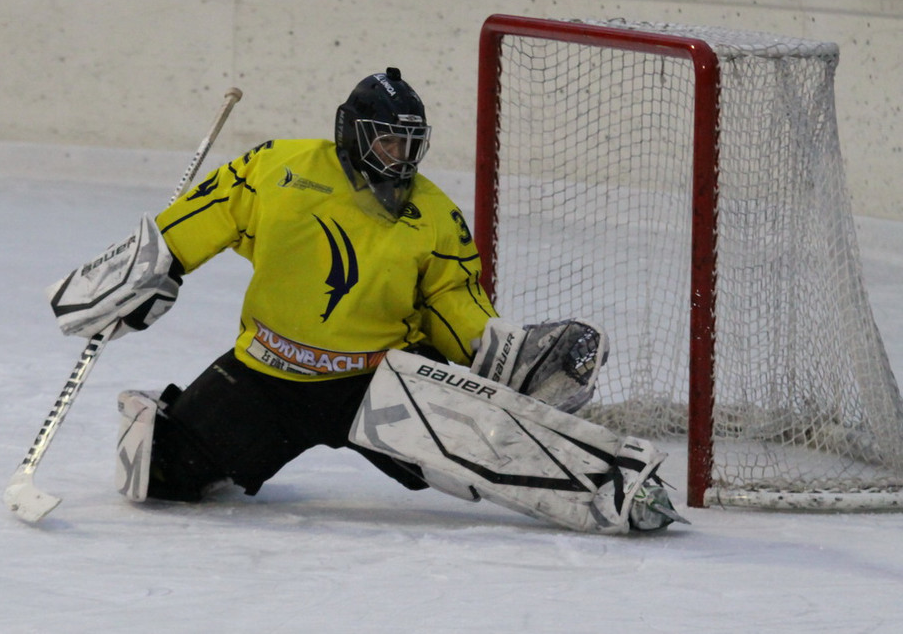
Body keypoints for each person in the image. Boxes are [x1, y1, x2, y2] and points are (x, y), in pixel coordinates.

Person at [47, 68, 686, 533]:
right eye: (389, 143)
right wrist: (145, 274)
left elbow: (453, 299)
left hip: (379, 383)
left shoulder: (434, 214)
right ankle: (180, 423)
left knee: (496, 453)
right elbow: (194, 220)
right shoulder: (279, 169)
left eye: (412, 145)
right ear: (352, 133)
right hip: (265, 376)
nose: (402, 158)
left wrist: (499, 353)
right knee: (157, 478)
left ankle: (624, 487)